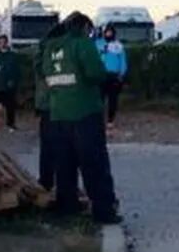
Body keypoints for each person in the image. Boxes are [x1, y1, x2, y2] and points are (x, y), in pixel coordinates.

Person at [42, 11, 121, 224]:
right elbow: (95, 73)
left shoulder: (50, 48)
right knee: (94, 163)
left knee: (64, 165)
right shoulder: (82, 44)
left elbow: (45, 75)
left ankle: (67, 207)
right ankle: (104, 211)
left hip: (57, 114)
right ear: (84, 27)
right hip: (85, 113)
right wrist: (109, 77)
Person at [34, 22, 65, 192]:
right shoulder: (52, 51)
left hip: (46, 104)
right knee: (58, 145)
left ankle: (46, 180)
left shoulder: (42, 49)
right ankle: (52, 181)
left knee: (47, 145)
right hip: (54, 103)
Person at [95, 24, 127, 129]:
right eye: (107, 32)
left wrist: (121, 74)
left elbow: (123, 61)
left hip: (114, 75)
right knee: (99, 99)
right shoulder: (98, 44)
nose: (108, 34)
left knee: (113, 99)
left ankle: (110, 120)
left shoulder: (118, 46)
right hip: (101, 74)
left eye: (110, 32)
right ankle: (98, 120)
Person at [0, 34, 21, 128]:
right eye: (0, 42)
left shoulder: (12, 56)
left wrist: (15, 81)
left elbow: (16, 70)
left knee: (10, 106)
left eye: (4, 42)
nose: (2, 44)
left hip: (10, 85)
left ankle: (10, 124)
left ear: (7, 42)